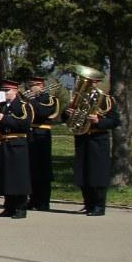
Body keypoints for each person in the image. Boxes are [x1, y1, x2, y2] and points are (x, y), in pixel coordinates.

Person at [69, 68, 117, 216]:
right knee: (83, 173)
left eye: (88, 81)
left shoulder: (106, 99)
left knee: (97, 174)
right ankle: (88, 203)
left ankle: (99, 205)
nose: (83, 84)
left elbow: (115, 121)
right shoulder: (78, 98)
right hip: (82, 137)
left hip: (98, 139)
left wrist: (98, 120)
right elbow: (68, 119)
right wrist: (68, 114)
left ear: (96, 82)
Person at [0, 78, 35, 221]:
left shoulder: (23, 105)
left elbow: (25, 123)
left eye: (7, 90)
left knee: (18, 176)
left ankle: (21, 206)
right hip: (4, 142)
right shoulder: (2, 106)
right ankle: (9, 205)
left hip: (18, 143)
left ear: (15, 91)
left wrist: (5, 118)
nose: (5, 93)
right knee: (6, 176)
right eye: (3, 90)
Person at [25, 73, 61, 212]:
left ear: (41, 86)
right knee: (31, 168)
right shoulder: (30, 99)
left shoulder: (50, 99)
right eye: (29, 85)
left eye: (33, 85)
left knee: (43, 169)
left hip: (42, 134)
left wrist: (31, 100)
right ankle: (32, 199)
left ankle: (43, 201)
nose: (30, 88)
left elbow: (42, 112)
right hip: (30, 133)